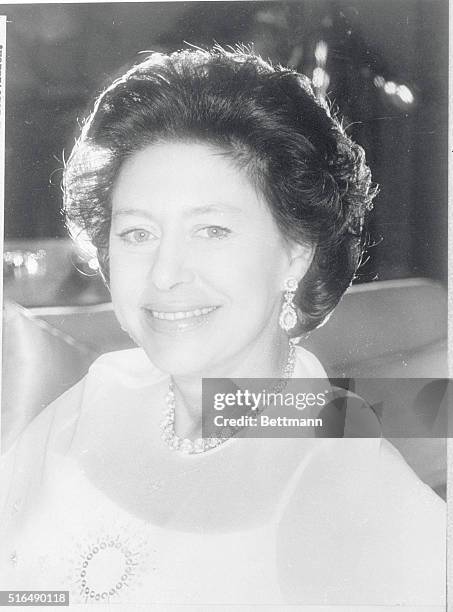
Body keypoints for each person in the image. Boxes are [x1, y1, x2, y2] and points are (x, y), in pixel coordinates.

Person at [0, 48, 445, 608]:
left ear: (297, 252)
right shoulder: (101, 394)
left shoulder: (349, 484)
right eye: (137, 234)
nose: (164, 274)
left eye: (211, 230)